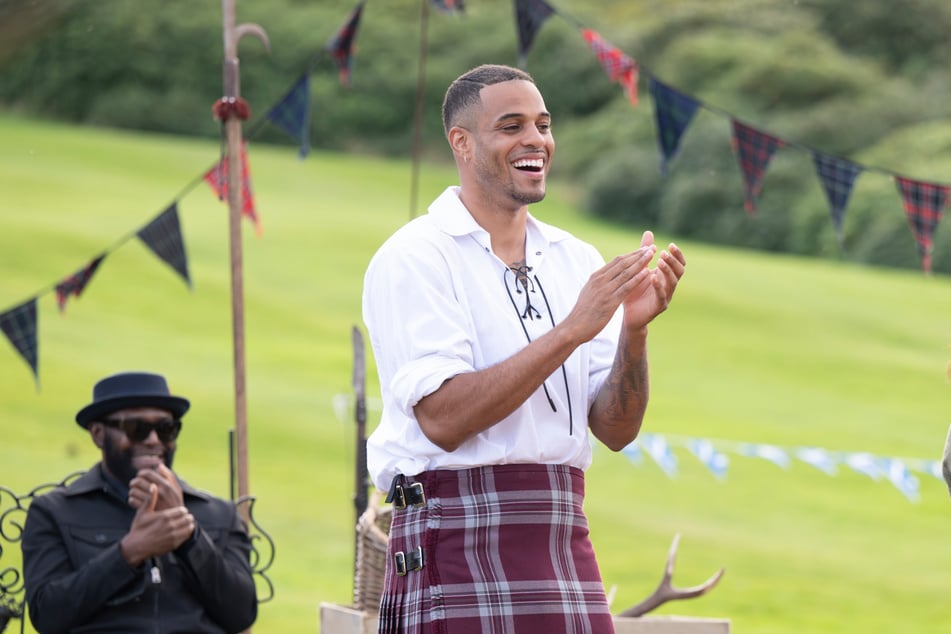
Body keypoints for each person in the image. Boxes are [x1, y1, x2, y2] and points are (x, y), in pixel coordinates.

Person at [362, 63, 686, 633]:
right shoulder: (415, 256)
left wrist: (634, 331)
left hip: (561, 533)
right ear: (462, 143)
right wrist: (570, 331)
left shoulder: (574, 258)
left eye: (542, 124)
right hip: (455, 535)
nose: (535, 139)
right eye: (511, 126)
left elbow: (615, 430)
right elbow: (443, 418)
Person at [21, 371, 257, 633]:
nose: (153, 440)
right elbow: (48, 616)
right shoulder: (55, 512)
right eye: (137, 429)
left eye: (166, 429)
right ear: (98, 434)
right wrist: (128, 553)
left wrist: (189, 537)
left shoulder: (219, 514)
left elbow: (242, 614)